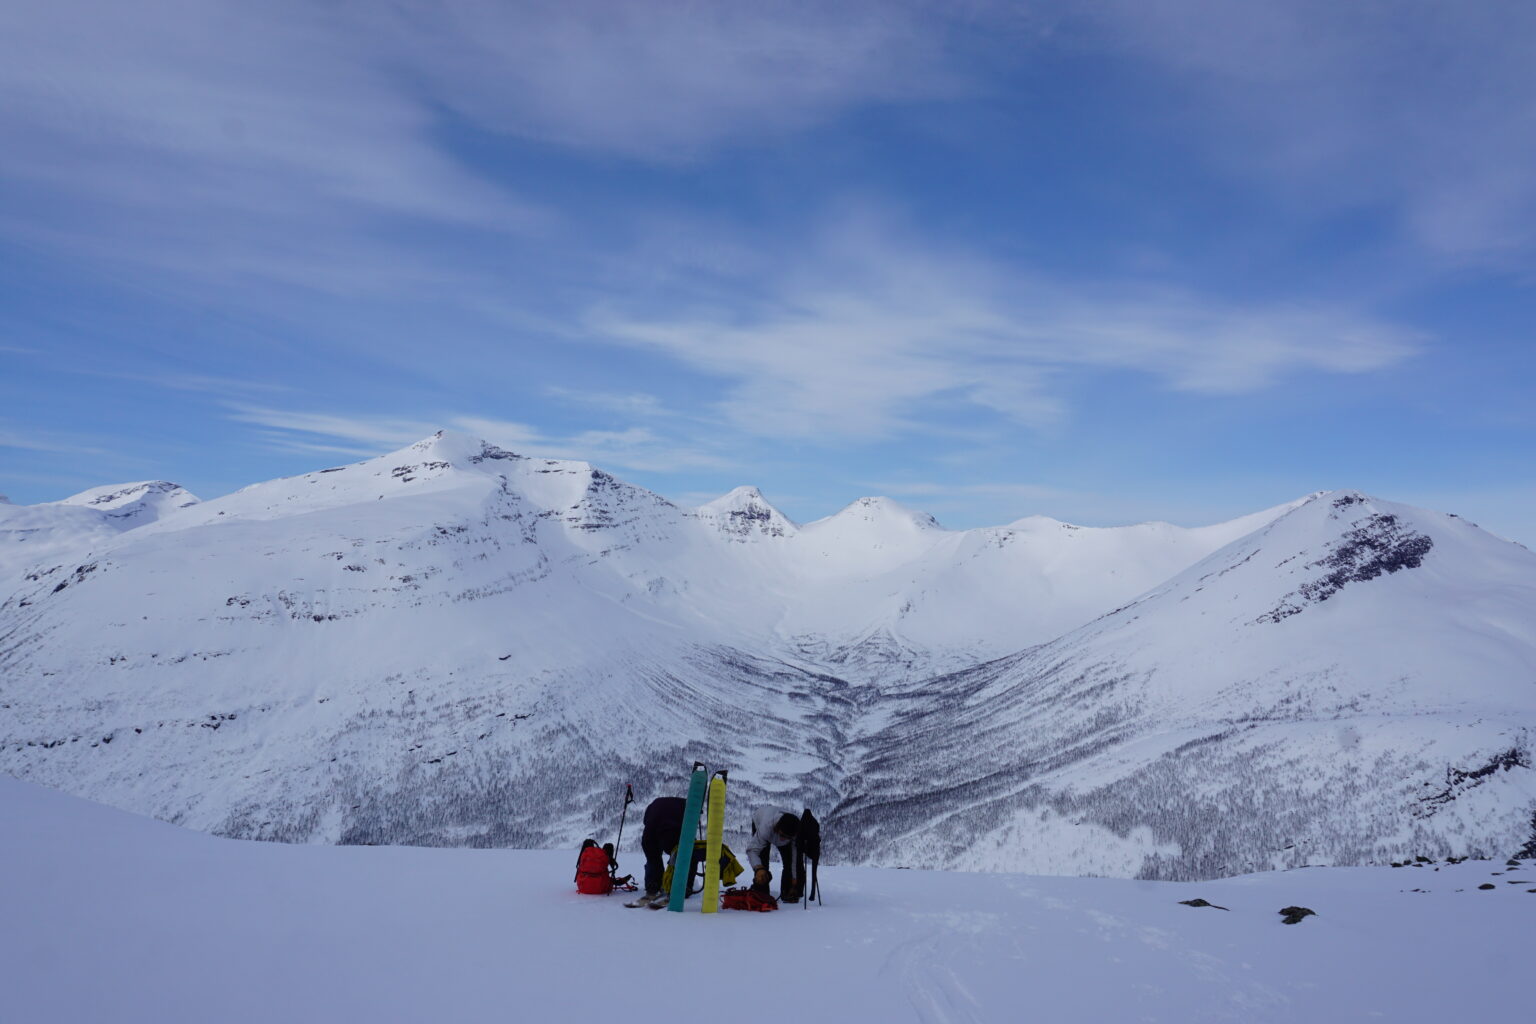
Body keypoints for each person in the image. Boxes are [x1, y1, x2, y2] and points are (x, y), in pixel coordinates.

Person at [625, 795, 686, 908]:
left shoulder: (655, 804)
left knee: (653, 860)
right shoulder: (687, 806)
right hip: (672, 834)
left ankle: (653, 888)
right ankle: (679, 888)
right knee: (680, 860)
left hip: (650, 834)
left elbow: (645, 821)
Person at [744, 805, 801, 902]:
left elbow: (794, 859)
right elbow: (753, 850)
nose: (783, 839)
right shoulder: (766, 827)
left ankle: (788, 892)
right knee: (763, 861)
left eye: (788, 837)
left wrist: (794, 880)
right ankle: (761, 892)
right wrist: (758, 868)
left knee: (788, 861)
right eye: (782, 835)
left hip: (779, 827)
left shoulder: (795, 832)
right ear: (777, 828)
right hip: (760, 819)